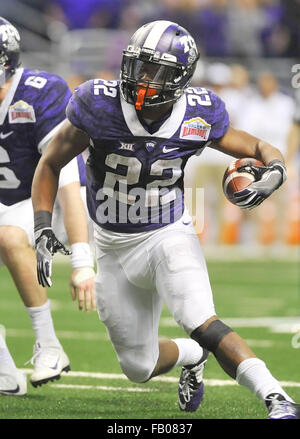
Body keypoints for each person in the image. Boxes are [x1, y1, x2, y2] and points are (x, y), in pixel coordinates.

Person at [31, 20, 299, 419]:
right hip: (111, 243)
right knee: (137, 367)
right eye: (138, 65)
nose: (141, 78)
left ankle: (276, 398)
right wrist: (40, 225)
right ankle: (192, 356)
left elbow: (258, 146)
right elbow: (50, 163)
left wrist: (276, 170)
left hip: (166, 233)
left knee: (199, 319)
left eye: (155, 71)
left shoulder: (199, 112)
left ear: (180, 78)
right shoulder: (97, 103)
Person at [0, 17, 95, 396]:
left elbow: (67, 182)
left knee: (8, 238)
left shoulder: (40, 92)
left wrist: (81, 262)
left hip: (38, 199)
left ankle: (49, 345)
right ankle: (5, 371)